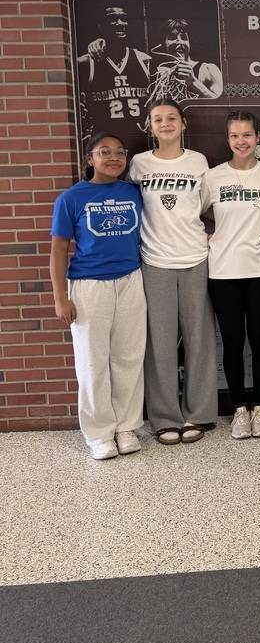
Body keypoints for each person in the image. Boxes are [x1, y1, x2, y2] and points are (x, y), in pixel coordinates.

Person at [127, 99, 218, 445]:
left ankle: (199, 414)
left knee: (199, 339)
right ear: (149, 126)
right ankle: (165, 417)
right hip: (155, 261)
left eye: (171, 118)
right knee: (160, 342)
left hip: (196, 258)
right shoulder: (138, 164)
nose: (165, 124)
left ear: (183, 123)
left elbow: (206, 206)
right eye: (157, 119)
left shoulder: (198, 162)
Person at [49, 134, 146, 460]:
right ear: (90, 158)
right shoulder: (71, 198)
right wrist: (60, 297)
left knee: (129, 356)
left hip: (131, 280)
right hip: (89, 286)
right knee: (93, 362)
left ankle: (126, 426)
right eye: (105, 152)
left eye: (120, 152)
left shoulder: (133, 193)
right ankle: (99, 434)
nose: (114, 157)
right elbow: (59, 250)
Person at [201, 111, 260, 440]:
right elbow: (199, 211)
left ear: (257, 137)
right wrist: (220, 231)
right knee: (233, 343)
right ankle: (239, 410)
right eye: (235, 136)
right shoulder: (213, 177)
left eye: (247, 135)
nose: (241, 141)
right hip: (222, 271)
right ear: (228, 139)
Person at [76, 4, 151, 139]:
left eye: (123, 19)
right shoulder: (87, 63)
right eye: (113, 19)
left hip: (139, 140)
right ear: (101, 25)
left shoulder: (143, 59)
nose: (120, 24)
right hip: (105, 142)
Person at [148, 18, 223, 102]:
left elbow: (224, 105)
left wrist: (193, 82)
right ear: (163, 43)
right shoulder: (158, 74)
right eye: (172, 37)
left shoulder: (207, 69)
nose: (179, 42)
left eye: (184, 38)